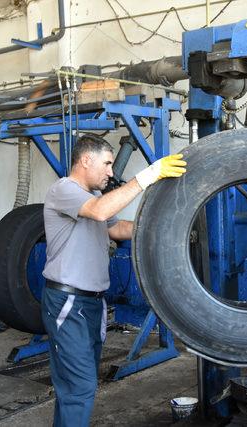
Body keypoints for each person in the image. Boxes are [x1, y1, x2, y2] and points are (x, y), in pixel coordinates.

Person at [41, 133, 187, 426]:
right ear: (85, 160)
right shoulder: (64, 189)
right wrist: (147, 176)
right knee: (80, 386)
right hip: (69, 302)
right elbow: (100, 212)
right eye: (107, 164)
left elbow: (116, 227)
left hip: (92, 304)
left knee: (76, 385)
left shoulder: (91, 198)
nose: (111, 171)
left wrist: (160, 225)